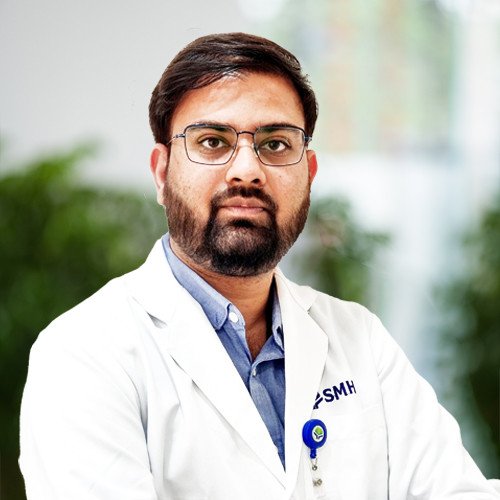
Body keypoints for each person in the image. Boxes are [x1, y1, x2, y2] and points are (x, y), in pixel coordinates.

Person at [19, 32, 499, 500]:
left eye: (275, 144)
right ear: (162, 174)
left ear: (309, 174)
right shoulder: (83, 354)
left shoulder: (359, 339)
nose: (247, 170)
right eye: (212, 141)